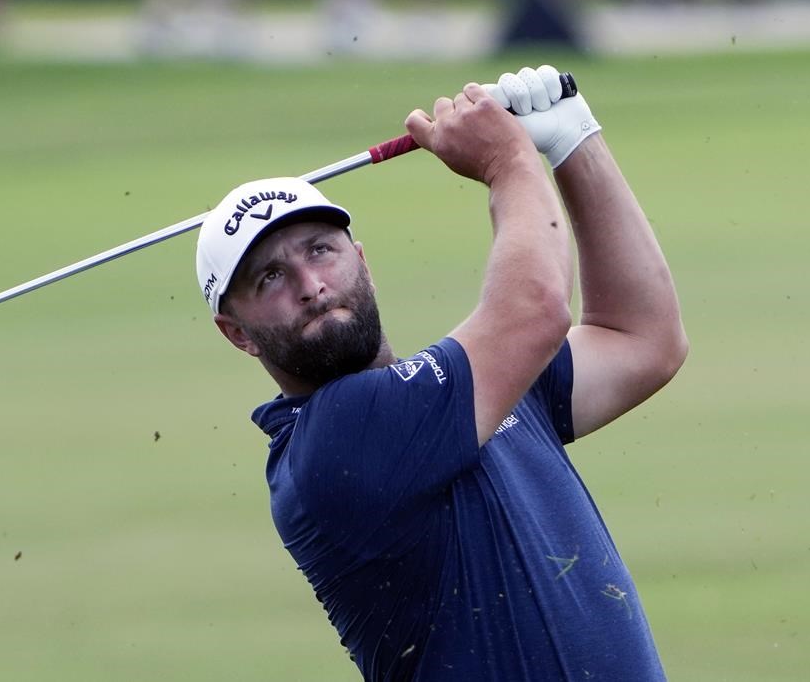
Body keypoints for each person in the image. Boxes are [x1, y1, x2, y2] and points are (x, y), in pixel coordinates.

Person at [194, 65, 688, 680]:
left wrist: (573, 141)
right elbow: (535, 310)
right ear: (236, 332)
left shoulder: (471, 387)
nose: (312, 286)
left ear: (362, 261)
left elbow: (642, 338)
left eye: (321, 249)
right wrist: (510, 163)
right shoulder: (332, 440)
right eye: (270, 277)